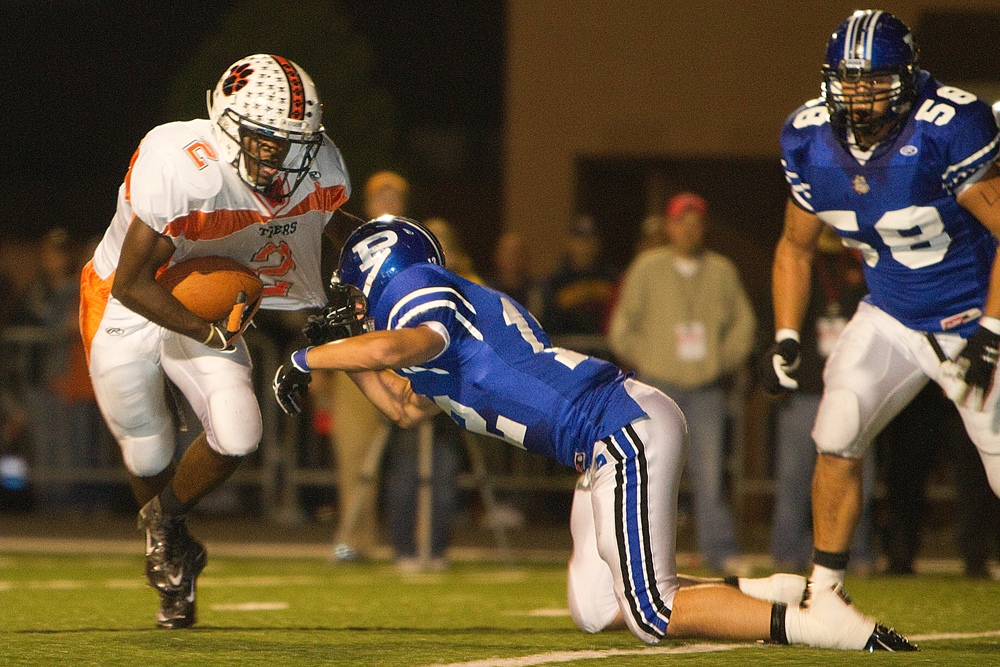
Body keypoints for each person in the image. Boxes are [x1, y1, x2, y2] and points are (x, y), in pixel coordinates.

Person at [273, 215, 914, 650]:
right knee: (597, 608)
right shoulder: (451, 329)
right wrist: (340, 351)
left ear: (383, 274)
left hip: (620, 429)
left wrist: (307, 360)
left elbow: (404, 339)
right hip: (606, 439)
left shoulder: (421, 294)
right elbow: (403, 408)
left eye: (355, 295)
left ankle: (821, 626)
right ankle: (768, 589)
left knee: (651, 613)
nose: (353, 307)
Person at [79, 54, 359, 628]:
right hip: (123, 302)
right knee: (148, 447)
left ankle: (166, 527)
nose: (275, 154)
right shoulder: (185, 166)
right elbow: (134, 284)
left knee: (239, 431)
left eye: (289, 142)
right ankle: (173, 553)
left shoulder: (316, 170)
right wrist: (211, 330)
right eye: (262, 138)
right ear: (228, 124)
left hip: (209, 298)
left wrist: (383, 262)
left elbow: (334, 225)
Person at [761, 10, 1000, 596]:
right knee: (838, 426)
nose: (858, 96)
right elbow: (794, 247)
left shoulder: (949, 125)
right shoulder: (808, 137)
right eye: (847, 80)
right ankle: (825, 592)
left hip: (972, 313)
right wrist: (787, 334)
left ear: (906, 79)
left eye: (874, 82)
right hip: (892, 314)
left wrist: (992, 328)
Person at [608, 192, 756, 574]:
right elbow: (620, 327)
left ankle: (720, 551)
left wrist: (720, 361)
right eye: (680, 222)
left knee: (709, 474)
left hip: (705, 389)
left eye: (695, 223)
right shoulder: (647, 267)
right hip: (658, 386)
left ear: (703, 228)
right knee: (652, 472)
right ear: (669, 227)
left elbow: (745, 324)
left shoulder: (722, 270)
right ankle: (646, 555)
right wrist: (650, 357)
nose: (688, 229)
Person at [766, 227, 875, 573]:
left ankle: (855, 552)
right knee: (795, 480)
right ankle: (787, 553)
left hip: (852, 389)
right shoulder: (800, 263)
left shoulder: (862, 261)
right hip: (806, 389)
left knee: (856, 475)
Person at [538, 215, 617, 361]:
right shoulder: (556, 282)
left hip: (604, 356)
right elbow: (549, 322)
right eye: (580, 239)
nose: (585, 246)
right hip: (567, 356)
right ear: (570, 242)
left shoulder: (611, 279)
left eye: (590, 239)